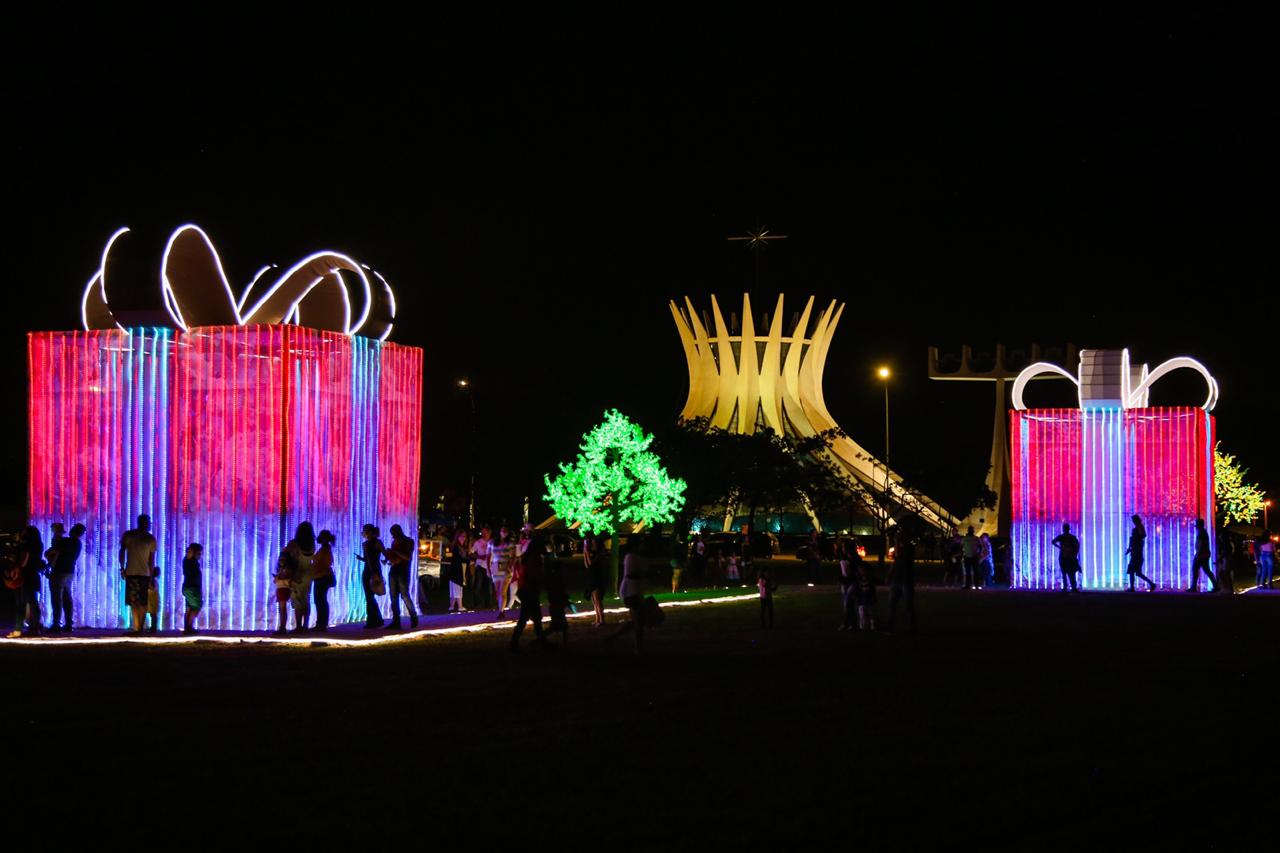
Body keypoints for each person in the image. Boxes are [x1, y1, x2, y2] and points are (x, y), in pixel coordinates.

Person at [119, 514, 157, 635]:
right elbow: (151, 560)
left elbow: (122, 551)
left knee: (135, 601)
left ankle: (138, 628)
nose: (149, 524)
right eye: (148, 522)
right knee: (141, 602)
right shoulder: (149, 538)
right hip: (141, 573)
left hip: (133, 572)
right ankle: (138, 627)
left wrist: (122, 568)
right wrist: (151, 576)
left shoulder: (129, 535)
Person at [509, 530, 546, 652]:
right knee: (529, 618)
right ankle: (515, 643)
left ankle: (540, 641)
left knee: (532, 618)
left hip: (527, 591)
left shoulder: (529, 557)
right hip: (529, 591)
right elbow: (534, 575)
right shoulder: (534, 559)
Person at [46, 522, 84, 632]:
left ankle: (56, 624)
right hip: (69, 572)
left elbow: (54, 549)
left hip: (59, 571)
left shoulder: (66, 541)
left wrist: (56, 534)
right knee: (67, 597)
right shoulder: (77, 543)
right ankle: (68, 623)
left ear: (73, 531)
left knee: (56, 598)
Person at [7, 526, 45, 637]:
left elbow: (23, 562)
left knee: (21, 603)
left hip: (24, 575)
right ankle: (35, 627)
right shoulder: (39, 545)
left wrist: (15, 568)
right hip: (33, 574)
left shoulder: (26, 545)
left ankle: (18, 629)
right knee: (33, 602)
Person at [611, 541, 646, 654]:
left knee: (636, 621)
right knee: (638, 622)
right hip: (632, 592)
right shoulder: (632, 557)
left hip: (632, 591)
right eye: (640, 543)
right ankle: (637, 648)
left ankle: (614, 637)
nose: (642, 546)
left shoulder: (629, 557)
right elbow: (632, 574)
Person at [285, 522, 318, 632]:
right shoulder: (312, 544)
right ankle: (305, 625)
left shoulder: (294, 544)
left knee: (297, 600)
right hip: (309, 573)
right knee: (306, 599)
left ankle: (298, 626)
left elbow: (287, 555)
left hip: (298, 573)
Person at [385, 523, 418, 630]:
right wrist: (389, 558)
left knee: (404, 595)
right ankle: (396, 621)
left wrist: (394, 551)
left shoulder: (408, 541)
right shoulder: (396, 541)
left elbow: (407, 557)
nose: (392, 536)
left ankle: (413, 617)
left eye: (393, 534)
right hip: (394, 570)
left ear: (398, 531)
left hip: (403, 572)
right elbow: (397, 557)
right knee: (393, 596)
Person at [886, 528, 916, 634]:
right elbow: (895, 561)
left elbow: (898, 555)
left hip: (906, 579)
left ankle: (911, 627)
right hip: (897, 579)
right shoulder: (900, 547)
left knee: (908, 605)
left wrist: (896, 542)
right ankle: (890, 625)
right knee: (892, 604)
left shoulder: (909, 548)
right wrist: (890, 575)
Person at [358, 524, 386, 628]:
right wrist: (361, 559)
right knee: (369, 596)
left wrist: (386, 560)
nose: (365, 533)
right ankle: (376, 619)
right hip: (370, 570)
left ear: (371, 532)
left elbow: (385, 554)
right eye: (364, 531)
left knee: (370, 597)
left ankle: (373, 621)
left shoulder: (376, 543)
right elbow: (369, 559)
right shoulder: (366, 544)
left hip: (373, 571)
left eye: (366, 531)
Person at [543, 539, 569, 647]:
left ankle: (563, 644)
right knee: (557, 626)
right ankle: (539, 639)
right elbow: (558, 591)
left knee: (559, 626)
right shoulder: (557, 579)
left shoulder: (555, 579)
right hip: (556, 605)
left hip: (556, 604)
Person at [490, 526, 518, 617]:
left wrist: (510, 565)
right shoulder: (493, 542)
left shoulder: (510, 543)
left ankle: (501, 611)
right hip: (495, 566)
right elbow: (488, 556)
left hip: (506, 566)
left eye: (506, 531)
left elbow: (514, 556)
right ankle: (500, 608)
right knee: (498, 590)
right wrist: (488, 568)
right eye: (502, 531)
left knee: (503, 590)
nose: (504, 533)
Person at [1125, 515, 1157, 591]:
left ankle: (1132, 588)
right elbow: (1134, 541)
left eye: (1133, 520)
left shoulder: (1139, 527)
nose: (1133, 522)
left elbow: (1142, 535)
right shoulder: (1138, 528)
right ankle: (1151, 584)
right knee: (1137, 573)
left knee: (1132, 571)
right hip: (1136, 554)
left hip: (1136, 555)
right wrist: (1129, 549)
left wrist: (1136, 538)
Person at [312, 530, 336, 631]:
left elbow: (325, 564)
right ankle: (321, 623)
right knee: (321, 601)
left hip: (322, 577)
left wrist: (315, 567)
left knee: (320, 601)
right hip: (321, 577)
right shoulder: (324, 549)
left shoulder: (325, 550)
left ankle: (321, 624)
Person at [1186, 517, 1218, 593]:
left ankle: (1193, 587)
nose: (1195, 526)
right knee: (1206, 570)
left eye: (1196, 524)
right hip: (1204, 554)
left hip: (1201, 555)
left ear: (1199, 525)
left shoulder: (1201, 532)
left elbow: (1201, 544)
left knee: (1195, 569)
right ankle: (1216, 586)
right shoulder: (1202, 532)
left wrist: (1198, 554)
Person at [1050, 523, 1081, 593]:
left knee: (1064, 573)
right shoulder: (1072, 537)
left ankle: (1065, 588)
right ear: (1068, 529)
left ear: (1063, 529)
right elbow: (1077, 545)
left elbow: (1053, 542)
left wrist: (1060, 547)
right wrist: (1074, 553)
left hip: (1063, 556)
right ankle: (1073, 588)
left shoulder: (1062, 537)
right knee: (1071, 573)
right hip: (1070, 557)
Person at [583, 534, 606, 627]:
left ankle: (602, 620)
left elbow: (591, 564)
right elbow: (587, 565)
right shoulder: (593, 553)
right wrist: (585, 552)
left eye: (593, 543)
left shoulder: (600, 554)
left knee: (597, 600)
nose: (592, 545)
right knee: (593, 600)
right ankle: (597, 619)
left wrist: (587, 552)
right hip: (591, 577)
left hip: (597, 578)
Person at [837, 540, 860, 631]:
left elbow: (856, 572)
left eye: (843, 547)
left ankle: (846, 624)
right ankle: (853, 624)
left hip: (852, 583)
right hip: (845, 583)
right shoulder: (845, 557)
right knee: (848, 604)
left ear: (848, 548)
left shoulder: (855, 558)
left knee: (847, 603)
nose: (842, 548)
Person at [469, 526, 493, 610]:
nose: (483, 534)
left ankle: (488, 604)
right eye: (482, 532)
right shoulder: (478, 542)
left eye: (485, 532)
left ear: (489, 533)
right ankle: (477, 603)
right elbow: (471, 553)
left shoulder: (492, 542)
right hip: (479, 566)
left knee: (489, 586)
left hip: (490, 567)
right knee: (478, 585)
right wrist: (479, 556)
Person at [182, 543, 203, 633]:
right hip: (192, 588)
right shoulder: (191, 561)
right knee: (196, 606)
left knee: (189, 607)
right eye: (199, 553)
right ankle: (189, 627)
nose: (200, 556)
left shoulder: (188, 561)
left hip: (188, 587)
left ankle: (188, 627)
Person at [272, 548, 294, 636]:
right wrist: (277, 578)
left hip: (284, 589)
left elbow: (288, 581)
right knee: (281, 610)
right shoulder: (281, 569)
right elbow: (276, 580)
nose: (281, 561)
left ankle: (282, 628)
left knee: (282, 610)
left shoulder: (288, 570)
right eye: (280, 559)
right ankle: (282, 627)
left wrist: (279, 578)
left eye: (283, 559)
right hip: (280, 589)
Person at [446, 529, 468, 613]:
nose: (463, 538)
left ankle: (451, 606)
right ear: (458, 537)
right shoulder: (457, 547)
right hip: (456, 570)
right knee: (457, 588)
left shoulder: (458, 546)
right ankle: (460, 606)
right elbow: (463, 558)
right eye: (462, 536)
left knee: (454, 589)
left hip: (456, 569)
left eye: (464, 536)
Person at [855, 557, 877, 631]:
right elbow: (858, 589)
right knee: (862, 612)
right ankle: (863, 625)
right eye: (859, 569)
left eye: (861, 569)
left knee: (871, 612)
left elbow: (873, 587)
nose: (860, 571)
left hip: (869, 598)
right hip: (862, 598)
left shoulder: (869, 578)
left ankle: (872, 624)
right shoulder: (859, 579)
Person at [757, 563, 777, 629]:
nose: (768, 573)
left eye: (768, 572)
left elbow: (768, 588)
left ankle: (771, 625)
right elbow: (766, 587)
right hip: (764, 598)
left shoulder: (766, 579)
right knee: (764, 612)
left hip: (768, 597)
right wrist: (773, 588)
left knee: (770, 611)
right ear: (764, 572)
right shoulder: (762, 579)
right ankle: (763, 625)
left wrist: (773, 588)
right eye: (767, 572)